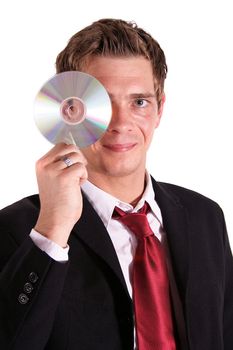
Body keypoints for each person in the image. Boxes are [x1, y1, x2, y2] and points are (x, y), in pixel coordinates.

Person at [0, 18, 232, 350]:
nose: (121, 124)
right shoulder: (19, 230)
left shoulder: (205, 217)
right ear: (69, 111)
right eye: (102, 104)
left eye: (139, 102)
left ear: (159, 109)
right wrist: (53, 231)